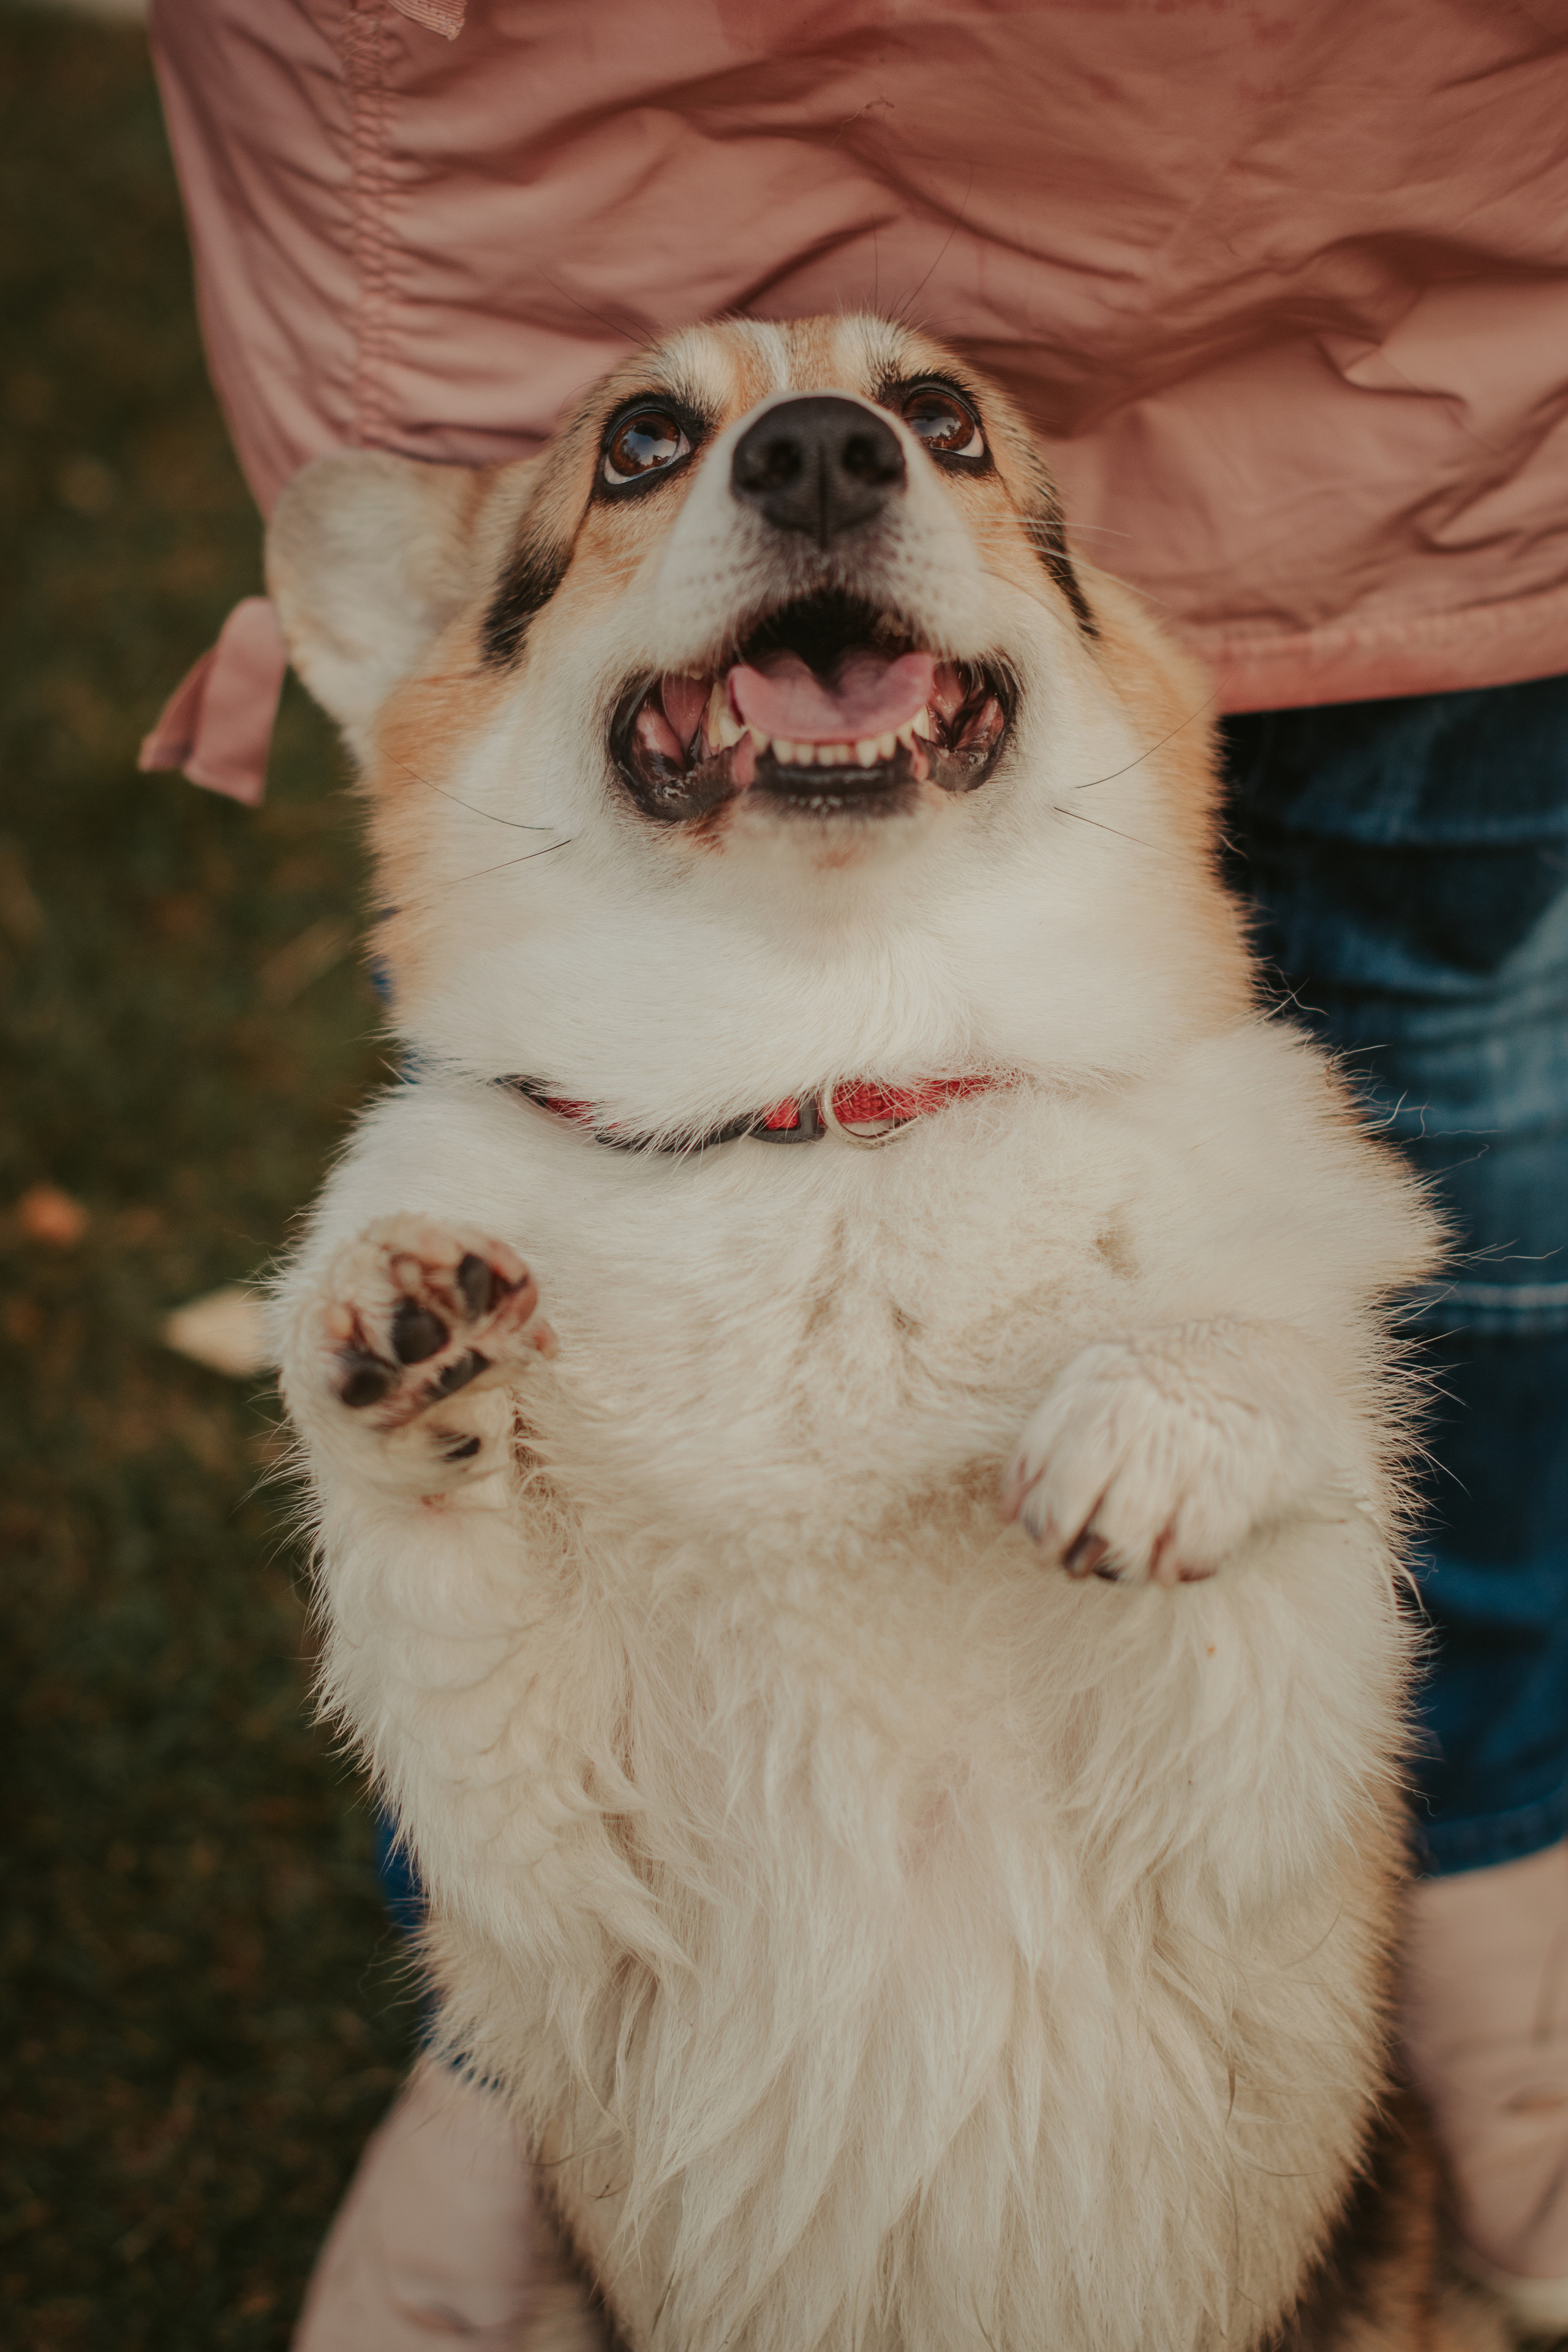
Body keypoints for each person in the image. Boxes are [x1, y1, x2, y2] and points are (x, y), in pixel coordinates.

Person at [141, 2, 1568, 2340]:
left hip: (1362, 188)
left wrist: (1231, 1390)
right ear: (464, 683)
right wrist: (418, 1503)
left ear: (1114, 662)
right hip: (513, 109)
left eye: (931, 429)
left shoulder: (1201, 1190)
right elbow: (525, 1792)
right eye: (647, 452)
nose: (809, 457)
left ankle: (1494, 1890)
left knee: (1444, 1091)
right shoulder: (452, 1228)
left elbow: (1233, 1813)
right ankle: (506, 2050)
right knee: (500, 1748)